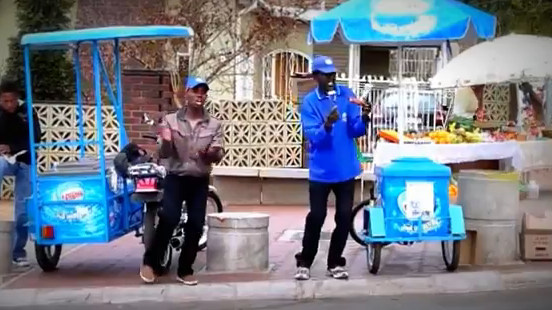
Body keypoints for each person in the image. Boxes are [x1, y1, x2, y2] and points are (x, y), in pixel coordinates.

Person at [140, 77, 224, 285]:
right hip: (176, 177)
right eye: (196, 90)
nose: (200, 95)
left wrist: (210, 153)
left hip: (199, 179)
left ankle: (185, 269)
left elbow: (218, 154)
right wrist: (167, 140)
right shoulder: (170, 121)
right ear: (186, 93)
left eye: (203, 91)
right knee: (169, 217)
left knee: (196, 224)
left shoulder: (214, 124)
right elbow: (164, 153)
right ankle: (150, 263)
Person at [294, 56, 370, 280]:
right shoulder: (309, 102)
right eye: (325, 75)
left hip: (346, 169)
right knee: (317, 216)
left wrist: (364, 117)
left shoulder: (346, 94)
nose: (330, 78)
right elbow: (313, 137)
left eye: (333, 74)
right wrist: (327, 125)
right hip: (321, 171)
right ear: (316, 76)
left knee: (345, 218)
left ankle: (335, 262)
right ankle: (305, 261)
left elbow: (355, 130)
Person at [0, 79, 42, 267]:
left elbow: (36, 138)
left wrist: (13, 146)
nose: (8, 105)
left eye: (12, 101)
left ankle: (18, 252)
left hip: (25, 159)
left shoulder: (27, 112)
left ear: (18, 99)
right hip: (4, 159)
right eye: (4, 101)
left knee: (23, 208)